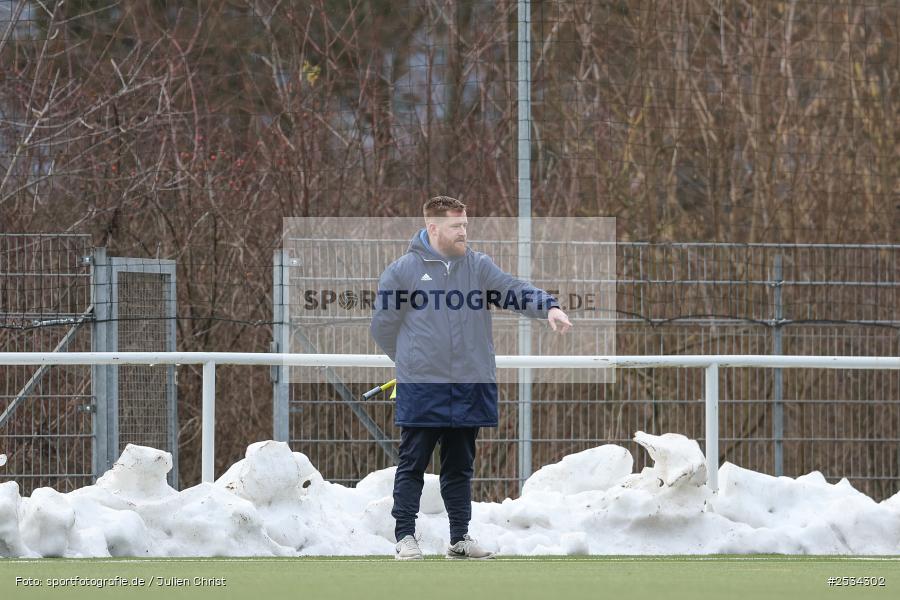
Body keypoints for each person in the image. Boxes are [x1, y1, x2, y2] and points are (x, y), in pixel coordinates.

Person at [370, 196, 572, 560]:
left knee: (460, 467)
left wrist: (549, 307)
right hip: (423, 389)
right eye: (455, 226)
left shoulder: (478, 267)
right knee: (412, 463)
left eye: (465, 225)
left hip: (469, 387)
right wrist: (411, 365)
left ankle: (460, 539)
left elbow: (513, 289)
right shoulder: (402, 271)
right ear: (433, 228)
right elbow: (383, 328)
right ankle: (404, 538)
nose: (463, 232)